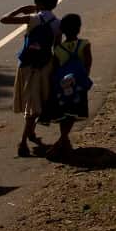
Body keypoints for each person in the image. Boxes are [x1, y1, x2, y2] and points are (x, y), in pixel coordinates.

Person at [1, 0, 61, 157]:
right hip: (45, 65)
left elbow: (4, 20)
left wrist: (20, 9)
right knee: (38, 100)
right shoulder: (57, 23)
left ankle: (23, 142)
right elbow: (57, 48)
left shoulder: (33, 19)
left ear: (37, 4)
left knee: (30, 102)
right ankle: (31, 133)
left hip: (27, 65)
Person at [45, 13, 93, 159]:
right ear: (78, 29)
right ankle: (62, 142)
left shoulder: (58, 50)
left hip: (63, 87)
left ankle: (64, 142)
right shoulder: (84, 44)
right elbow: (88, 64)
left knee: (64, 114)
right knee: (73, 113)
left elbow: (53, 70)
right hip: (78, 86)